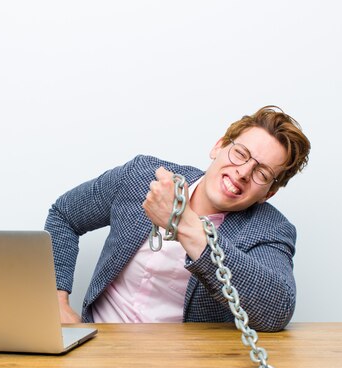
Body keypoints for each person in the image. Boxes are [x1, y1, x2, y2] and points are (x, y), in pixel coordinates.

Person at [45, 106, 311, 332]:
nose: (243, 172)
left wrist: (184, 224)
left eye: (261, 173)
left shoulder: (270, 229)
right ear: (218, 146)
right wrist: (56, 302)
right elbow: (65, 215)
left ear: (269, 193)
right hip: (100, 354)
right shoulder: (141, 177)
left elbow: (277, 309)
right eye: (240, 154)